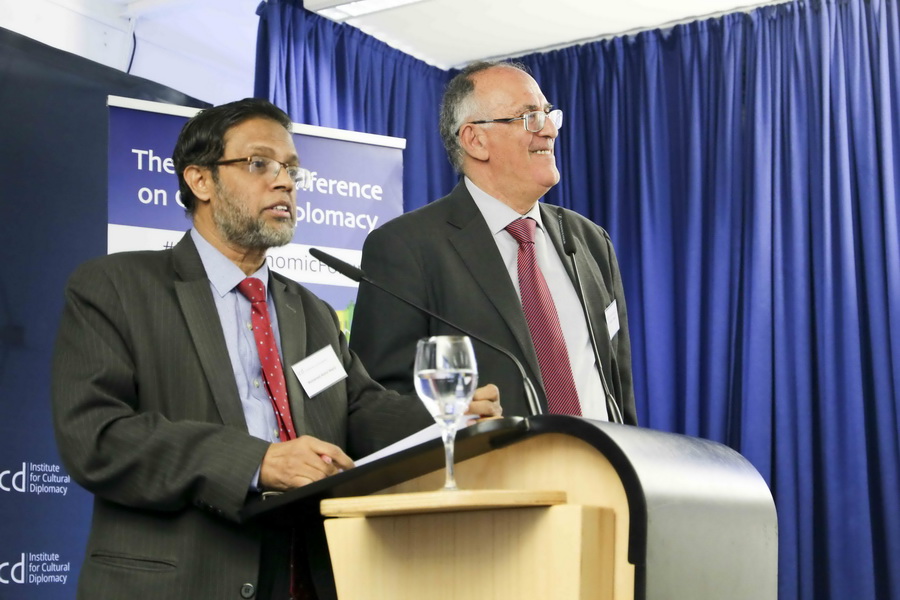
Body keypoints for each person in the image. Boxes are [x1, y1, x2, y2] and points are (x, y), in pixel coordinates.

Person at [51, 98, 500, 600]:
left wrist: (444, 420)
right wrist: (256, 462)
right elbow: (97, 435)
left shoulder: (310, 310)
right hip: (184, 578)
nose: (284, 181)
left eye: (291, 169)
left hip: (304, 571)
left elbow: (358, 409)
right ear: (200, 181)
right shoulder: (117, 286)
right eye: (259, 163)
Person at [350, 61, 637, 425]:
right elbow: (379, 404)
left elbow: (618, 386)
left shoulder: (590, 241)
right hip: (489, 460)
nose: (549, 130)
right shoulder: (406, 247)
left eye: (549, 114)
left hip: (599, 457)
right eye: (529, 117)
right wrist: (455, 417)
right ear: (475, 140)